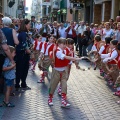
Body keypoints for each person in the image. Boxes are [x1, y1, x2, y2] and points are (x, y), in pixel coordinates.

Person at [48, 38, 81, 108]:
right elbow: (65, 57)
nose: (65, 45)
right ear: (59, 44)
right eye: (63, 44)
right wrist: (75, 59)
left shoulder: (65, 50)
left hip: (63, 71)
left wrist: (76, 58)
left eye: (65, 44)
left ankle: (63, 101)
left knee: (64, 85)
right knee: (53, 86)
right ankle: (50, 98)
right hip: (56, 71)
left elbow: (71, 54)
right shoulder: (58, 51)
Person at [15, 19, 31, 90]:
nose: (30, 26)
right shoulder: (24, 33)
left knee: (20, 69)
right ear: (25, 25)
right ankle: (21, 84)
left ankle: (19, 84)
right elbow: (24, 44)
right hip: (23, 54)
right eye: (29, 24)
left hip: (20, 54)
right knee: (23, 69)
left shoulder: (22, 33)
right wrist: (29, 51)